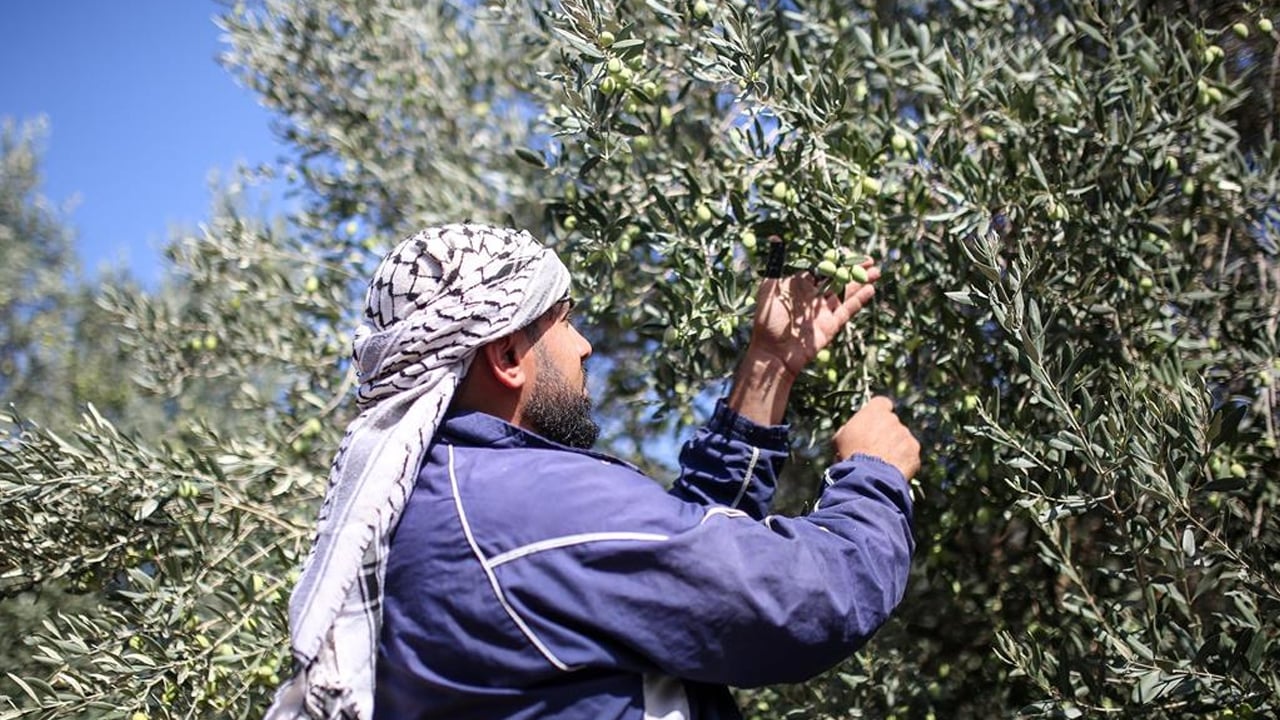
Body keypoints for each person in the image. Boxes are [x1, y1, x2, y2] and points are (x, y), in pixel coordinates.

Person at [266, 223, 920, 720]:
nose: (584, 346)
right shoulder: (521, 509)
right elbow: (794, 600)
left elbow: (660, 575)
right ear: (506, 355)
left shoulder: (440, 507)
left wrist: (770, 365)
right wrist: (873, 478)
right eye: (564, 320)